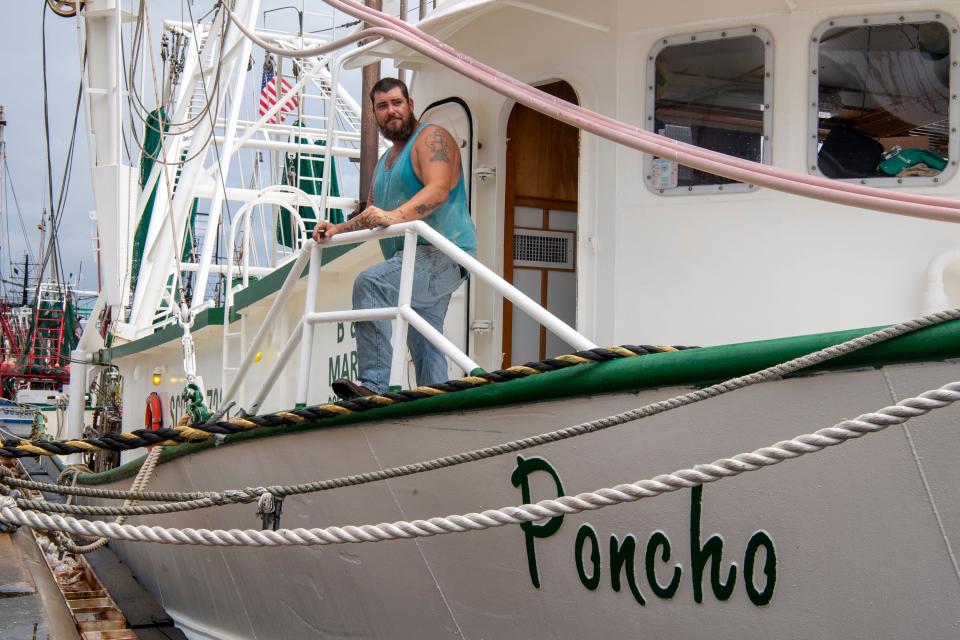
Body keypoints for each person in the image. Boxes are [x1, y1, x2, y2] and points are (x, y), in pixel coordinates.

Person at [312, 78, 476, 399]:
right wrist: (335, 230)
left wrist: (394, 217)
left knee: (370, 285)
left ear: (410, 104)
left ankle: (374, 385)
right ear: (374, 113)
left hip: (441, 255)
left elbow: (438, 189)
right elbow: (374, 213)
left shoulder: (432, 139)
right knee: (424, 340)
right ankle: (437, 402)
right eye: (383, 106)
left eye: (397, 103)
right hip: (415, 260)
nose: (392, 111)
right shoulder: (386, 161)